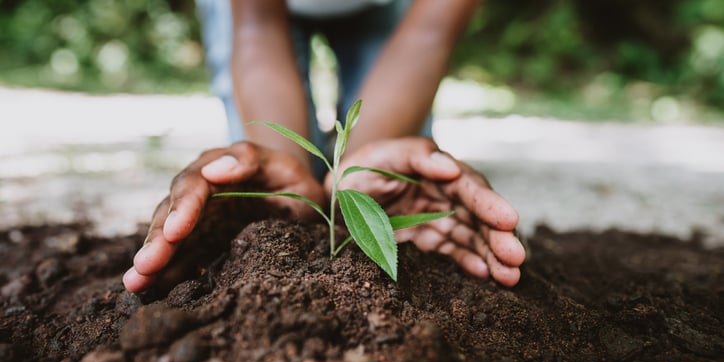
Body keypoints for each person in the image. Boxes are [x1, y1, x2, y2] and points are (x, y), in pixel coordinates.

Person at [122, 0, 526, 293]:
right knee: (270, 173)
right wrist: (285, 178)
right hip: (256, 14)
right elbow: (256, 24)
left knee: (396, 160)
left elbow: (430, 29)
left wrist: (359, 175)